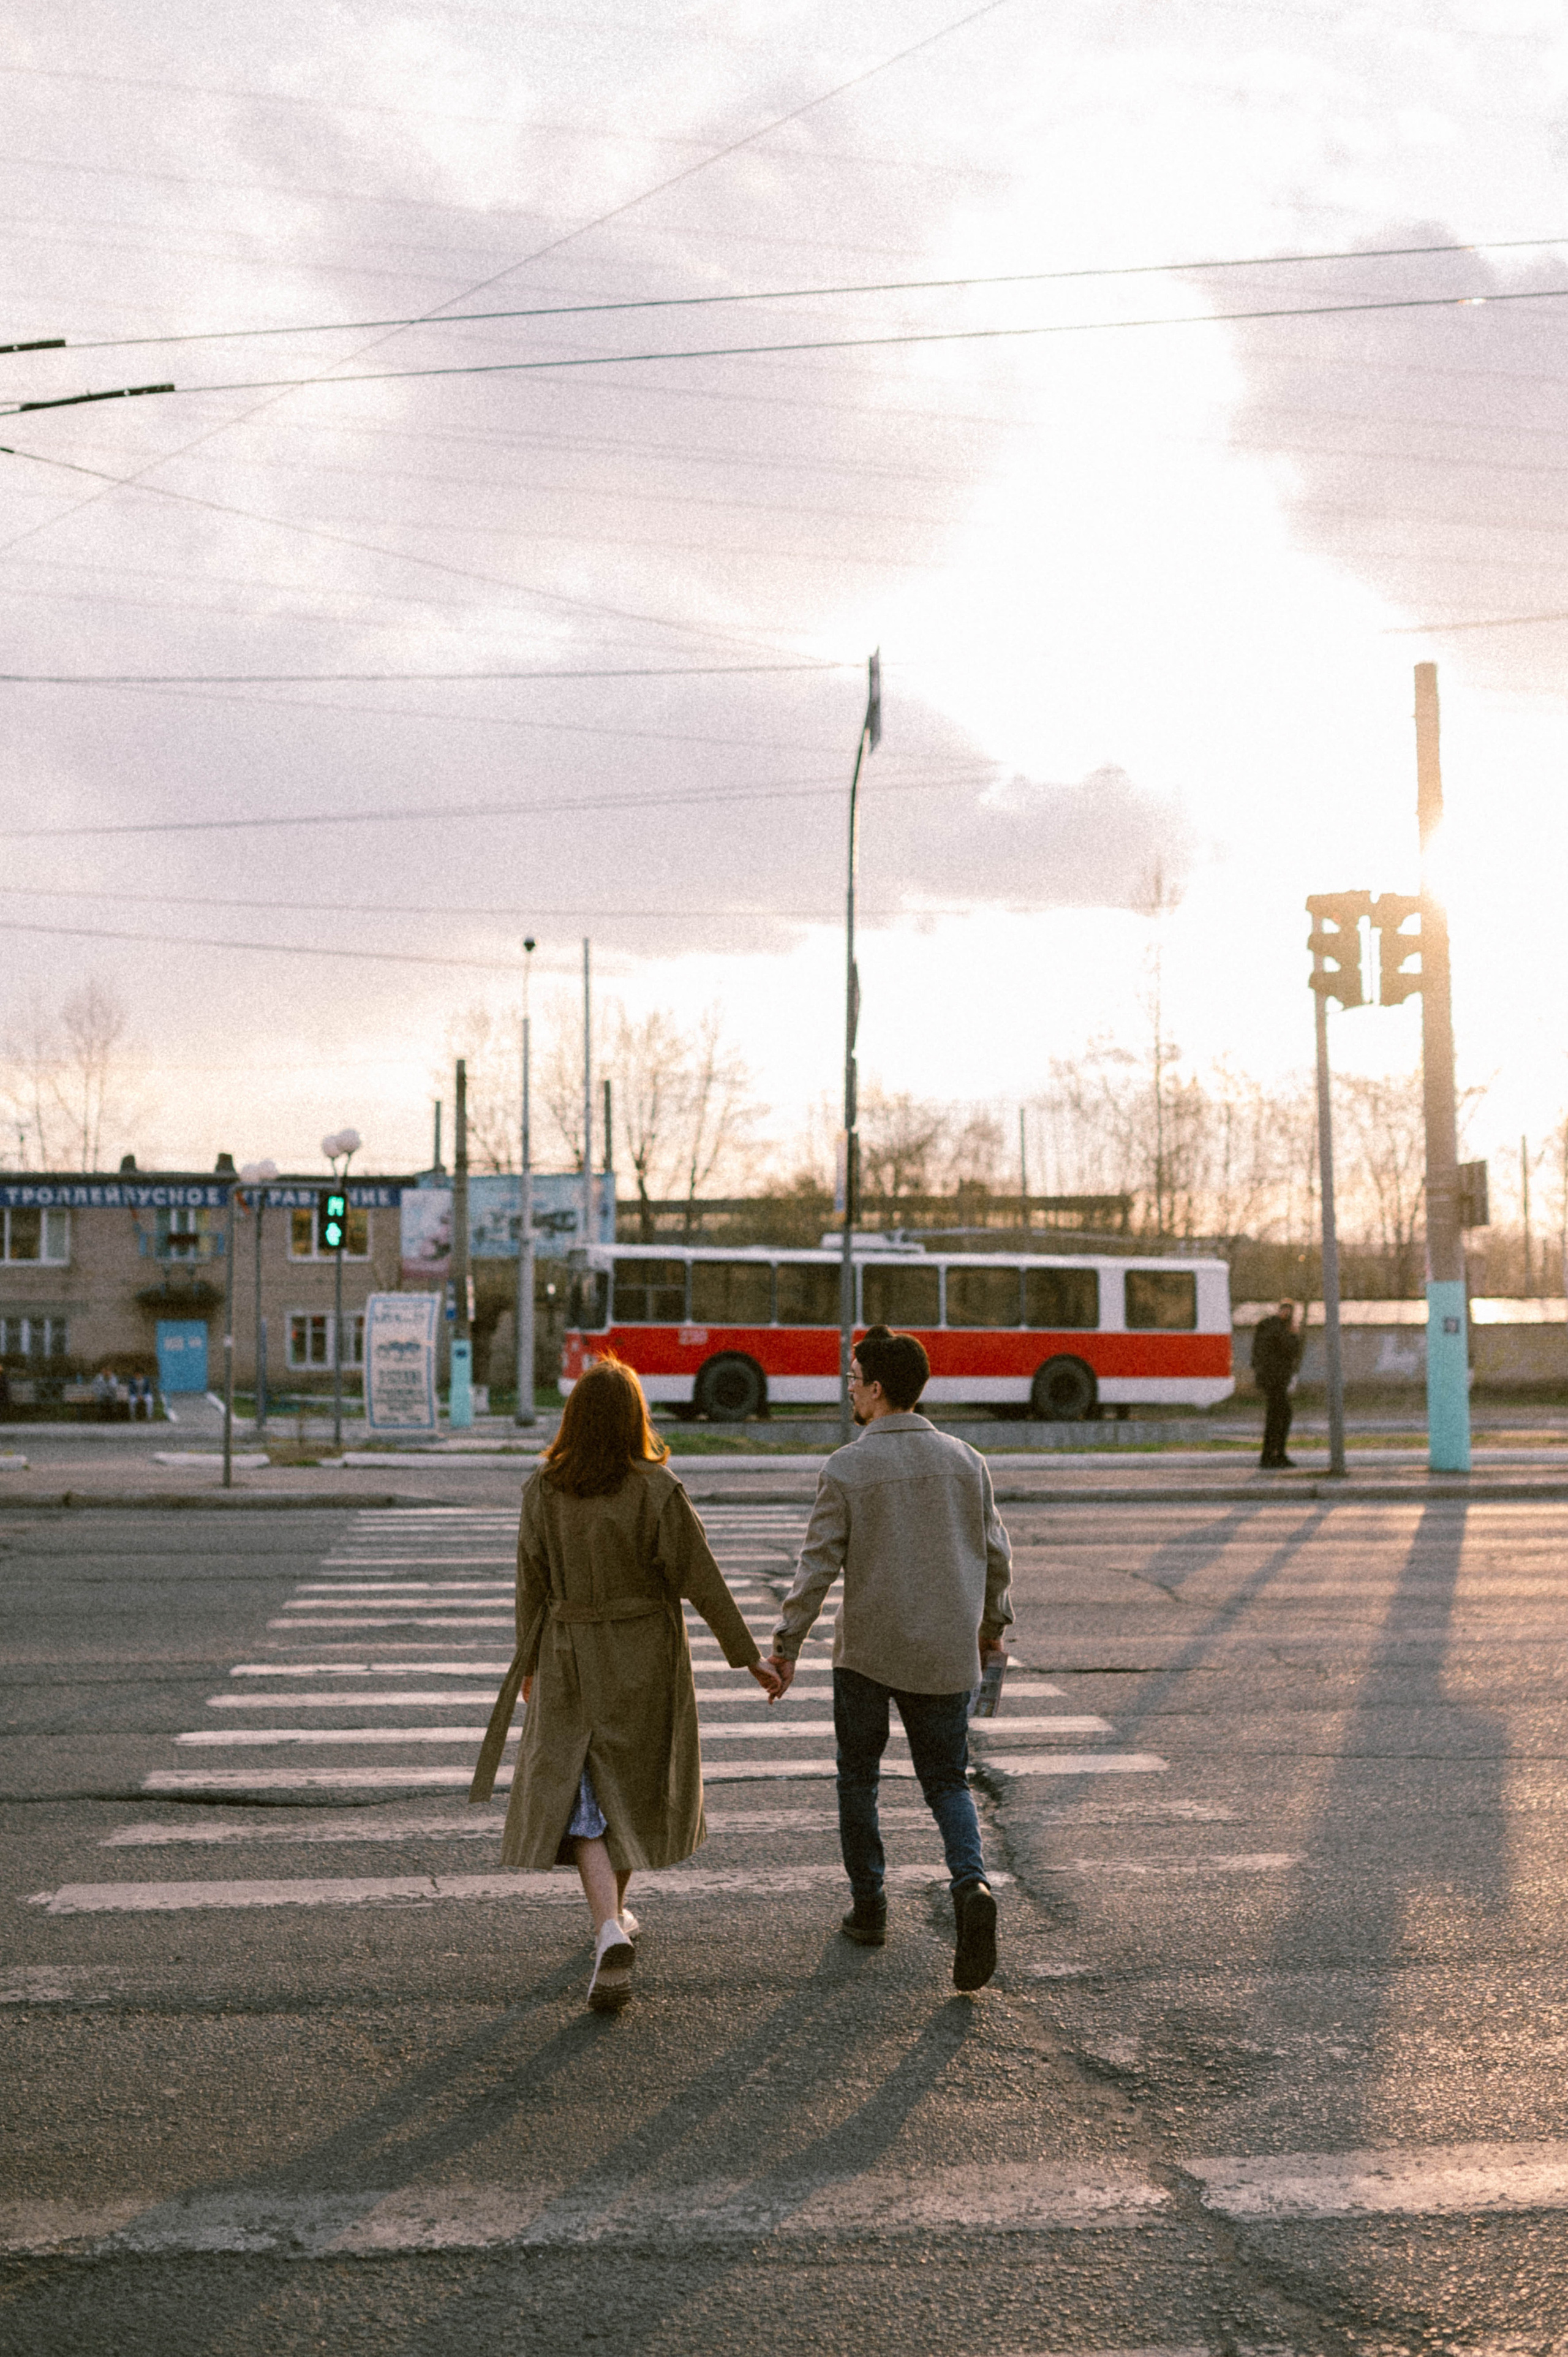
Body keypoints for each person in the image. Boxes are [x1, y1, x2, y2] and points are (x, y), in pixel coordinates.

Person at [470, 1354, 780, 2012]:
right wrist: (748, 1655)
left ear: (574, 1418)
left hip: (568, 1657)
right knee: (632, 1789)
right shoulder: (656, 1487)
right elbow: (701, 1576)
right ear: (635, 1417)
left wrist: (527, 1665)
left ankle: (610, 1922)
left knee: (583, 1800)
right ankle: (613, 1920)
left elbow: (531, 1585)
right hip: (643, 1659)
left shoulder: (543, 1489)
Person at [766, 1325, 1013, 1992]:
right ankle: (971, 1885)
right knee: (946, 1781)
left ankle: (869, 1909)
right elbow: (996, 1557)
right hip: (944, 1654)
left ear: (877, 1390)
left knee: (859, 1779)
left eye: (854, 1378)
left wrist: (785, 1646)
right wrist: (991, 1629)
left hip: (868, 1654)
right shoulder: (967, 1460)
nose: (849, 1388)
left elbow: (815, 1568)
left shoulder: (847, 1467)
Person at [1251, 1298, 1303, 1468]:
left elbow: (1294, 1352)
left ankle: (1273, 1455)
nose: (1286, 1313)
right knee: (1280, 1415)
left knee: (1277, 1416)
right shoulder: (1275, 1327)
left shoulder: (1271, 1326)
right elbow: (1287, 1348)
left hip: (1276, 1379)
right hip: (1274, 1379)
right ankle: (1273, 1455)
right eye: (1285, 1309)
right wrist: (1293, 1335)